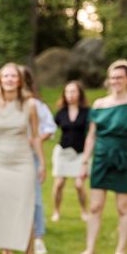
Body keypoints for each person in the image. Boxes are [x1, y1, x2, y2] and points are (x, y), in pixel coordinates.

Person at [78, 60, 127, 254]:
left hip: (125, 156)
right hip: (101, 156)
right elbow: (91, 136)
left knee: (123, 207)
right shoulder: (100, 104)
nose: (115, 81)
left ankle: (120, 250)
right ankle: (90, 248)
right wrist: (85, 161)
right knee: (95, 206)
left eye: (119, 77)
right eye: (112, 77)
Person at [0, 63, 46, 254]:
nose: (9, 79)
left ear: (19, 80)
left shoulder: (30, 105)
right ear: (0, 80)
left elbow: (35, 137)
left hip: (23, 161)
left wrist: (42, 163)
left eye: (13, 76)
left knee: (25, 208)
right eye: (5, 76)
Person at [21, 66, 56, 254]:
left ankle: (38, 236)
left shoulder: (35, 104)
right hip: (8, 157)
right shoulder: (2, 103)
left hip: (30, 155)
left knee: (34, 197)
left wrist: (35, 141)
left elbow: (49, 127)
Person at [51, 81, 90, 222]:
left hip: (80, 153)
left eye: (73, 91)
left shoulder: (87, 112)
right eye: (68, 92)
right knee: (59, 183)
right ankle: (56, 211)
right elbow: (50, 128)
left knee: (79, 184)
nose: (71, 95)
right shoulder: (61, 112)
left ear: (79, 93)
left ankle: (84, 211)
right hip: (63, 152)